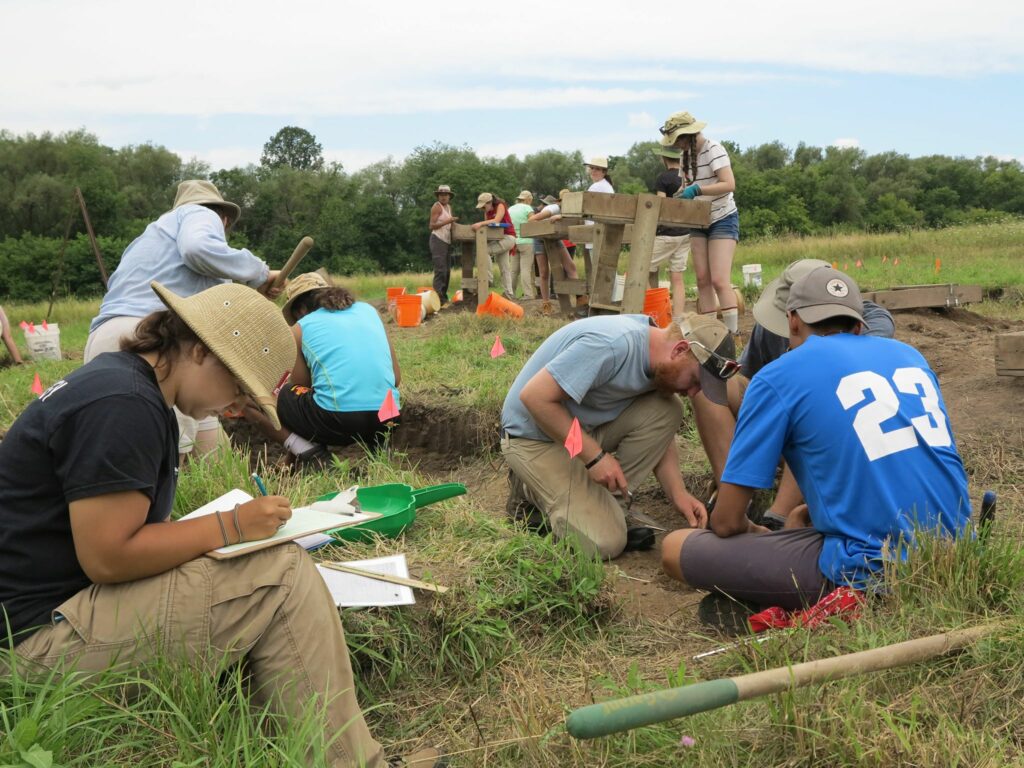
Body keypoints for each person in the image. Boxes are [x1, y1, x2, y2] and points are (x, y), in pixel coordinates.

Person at [0, 281, 442, 767]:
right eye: (236, 386)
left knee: (261, 567)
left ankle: (290, 748)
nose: (235, 407)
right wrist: (230, 526)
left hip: (56, 613)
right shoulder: (122, 405)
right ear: (197, 350)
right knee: (282, 574)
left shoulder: (125, 388)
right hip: (35, 644)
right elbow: (108, 556)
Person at [662, 267, 971, 609]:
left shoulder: (779, 375)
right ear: (858, 325)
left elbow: (726, 521)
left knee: (675, 548)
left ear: (792, 320)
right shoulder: (911, 357)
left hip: (871, 567)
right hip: (954, 551)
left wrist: (762, 536)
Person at [501, 313, 738, 559]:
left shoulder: (657, 358)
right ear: (679, 350)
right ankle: (529, 493)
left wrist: (678, 493)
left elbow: (660, 430)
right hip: (533, 437)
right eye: (695, 381)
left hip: (577, 431)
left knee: (668, 408)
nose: (692, 392)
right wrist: (595, 457)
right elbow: (534, 397)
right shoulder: (610, 345)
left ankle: (606, 506)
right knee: (605, 543)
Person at [84, 180, 284, 460]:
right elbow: (198, 249)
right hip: (153, 341)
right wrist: (259, 272)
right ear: (223, 219)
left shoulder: (150, 239)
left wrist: (255, 286)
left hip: (112, 337)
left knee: (212, 451)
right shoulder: (201, 215)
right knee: (163, 459)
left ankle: (231, 495)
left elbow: (216, 302)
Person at [692, 259, 895, 527]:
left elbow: (834, 379)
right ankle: (732, 492)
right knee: (715, 381)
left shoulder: (872, 321)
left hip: (833, 422)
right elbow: (748, 377)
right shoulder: (767, 330)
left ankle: (779, 515)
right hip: (783, 412)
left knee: (806, 400)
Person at [245, 272, 402, 464]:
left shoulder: (301, 328)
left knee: (263, 393)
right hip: (389, 417)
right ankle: (378, 449)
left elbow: (305, 387)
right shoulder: (369, 312)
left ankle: (311, 454)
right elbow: (396, 378)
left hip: (339, 422)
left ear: (301, 309)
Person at [659, 111, 740, 334]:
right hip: (698, 219)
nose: (677, 145)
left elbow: (729, 183)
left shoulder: (714, 149)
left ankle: (732, 336)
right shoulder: (686, 156)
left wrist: (698, 189)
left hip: (722, 217)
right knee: (702, 279)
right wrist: (682, 194)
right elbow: (688, 186)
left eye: (679, 139)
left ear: (690, 134)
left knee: (720, 280)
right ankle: (710, 333)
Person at [650, 147, 691, 322]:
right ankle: (677, 319)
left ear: (663, 158)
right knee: (677, 277)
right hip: (686, 233)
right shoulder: (687, 178)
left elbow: (661, 207)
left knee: (642, 268)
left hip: (667, 233)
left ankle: (653, 310)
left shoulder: (663, 178)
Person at [527, 190, 583, 316]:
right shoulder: (553, 208)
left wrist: (561, 217)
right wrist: (546, 224)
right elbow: (531, 220)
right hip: (540, 238)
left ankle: (581, 299)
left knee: (571, 266)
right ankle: (546, 304)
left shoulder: (571, 211)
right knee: (544, 273)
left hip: (554, 238)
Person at [472, 193, 517, 300]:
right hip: (498, 239)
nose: (483, 208)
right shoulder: (487, 213)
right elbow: (488, 227)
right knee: (505, 267)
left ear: (490, 202)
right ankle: (509, 294)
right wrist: (482, 225)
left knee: (484, 251)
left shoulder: (500, 205)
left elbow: (496, 220)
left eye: (484, 206)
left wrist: (480, 223)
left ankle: (488, 278)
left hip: (508, 237)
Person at [428, 184, 458, 305]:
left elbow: (449, 225)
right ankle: (437, 299)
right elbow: (431, 225)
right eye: (441, 195)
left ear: (449, 196)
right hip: (437, 239)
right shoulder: (437, 207)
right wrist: (448, 221)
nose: (443, 197)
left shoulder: (449, 207)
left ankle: (443, 298)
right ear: (438, 196)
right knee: (440, 270)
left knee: (447, 271)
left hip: (446, 241)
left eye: (446, 195)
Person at [508, 190, 537, 299]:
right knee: (525, 269)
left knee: (513, 270)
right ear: (527, 199)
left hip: (513, 242)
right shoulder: (528, 208)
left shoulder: (510, 209)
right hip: (527, 241)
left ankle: (510, 294)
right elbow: (533, 224)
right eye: (530, 200)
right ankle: (528, 294)